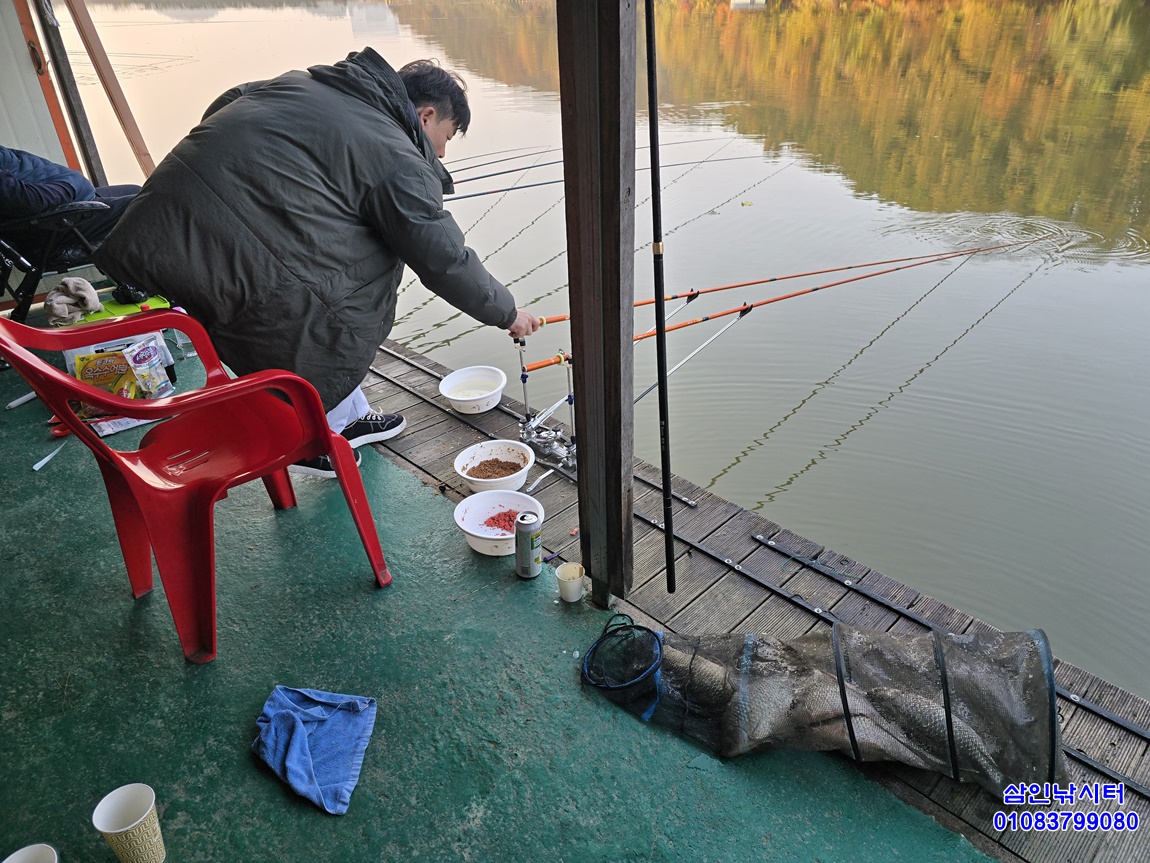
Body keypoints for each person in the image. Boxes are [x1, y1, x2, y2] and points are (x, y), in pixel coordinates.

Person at [94, 49, 540, 476]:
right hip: (221, 255)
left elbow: (228, 101)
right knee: (340, 297)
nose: (441, 154)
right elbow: (441, 257)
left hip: (162, 231)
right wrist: (506, 312)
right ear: (425, 116)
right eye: (445, 136)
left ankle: (347, 416)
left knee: (338, 254)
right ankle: (305, 441)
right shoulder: (397, 156)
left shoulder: (304, 84)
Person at [0, 144, 139, 265]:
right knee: (145, 204)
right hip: (55, 221)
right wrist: (71, 182)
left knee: (138, 190)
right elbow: (30, 201)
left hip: (73, 193)